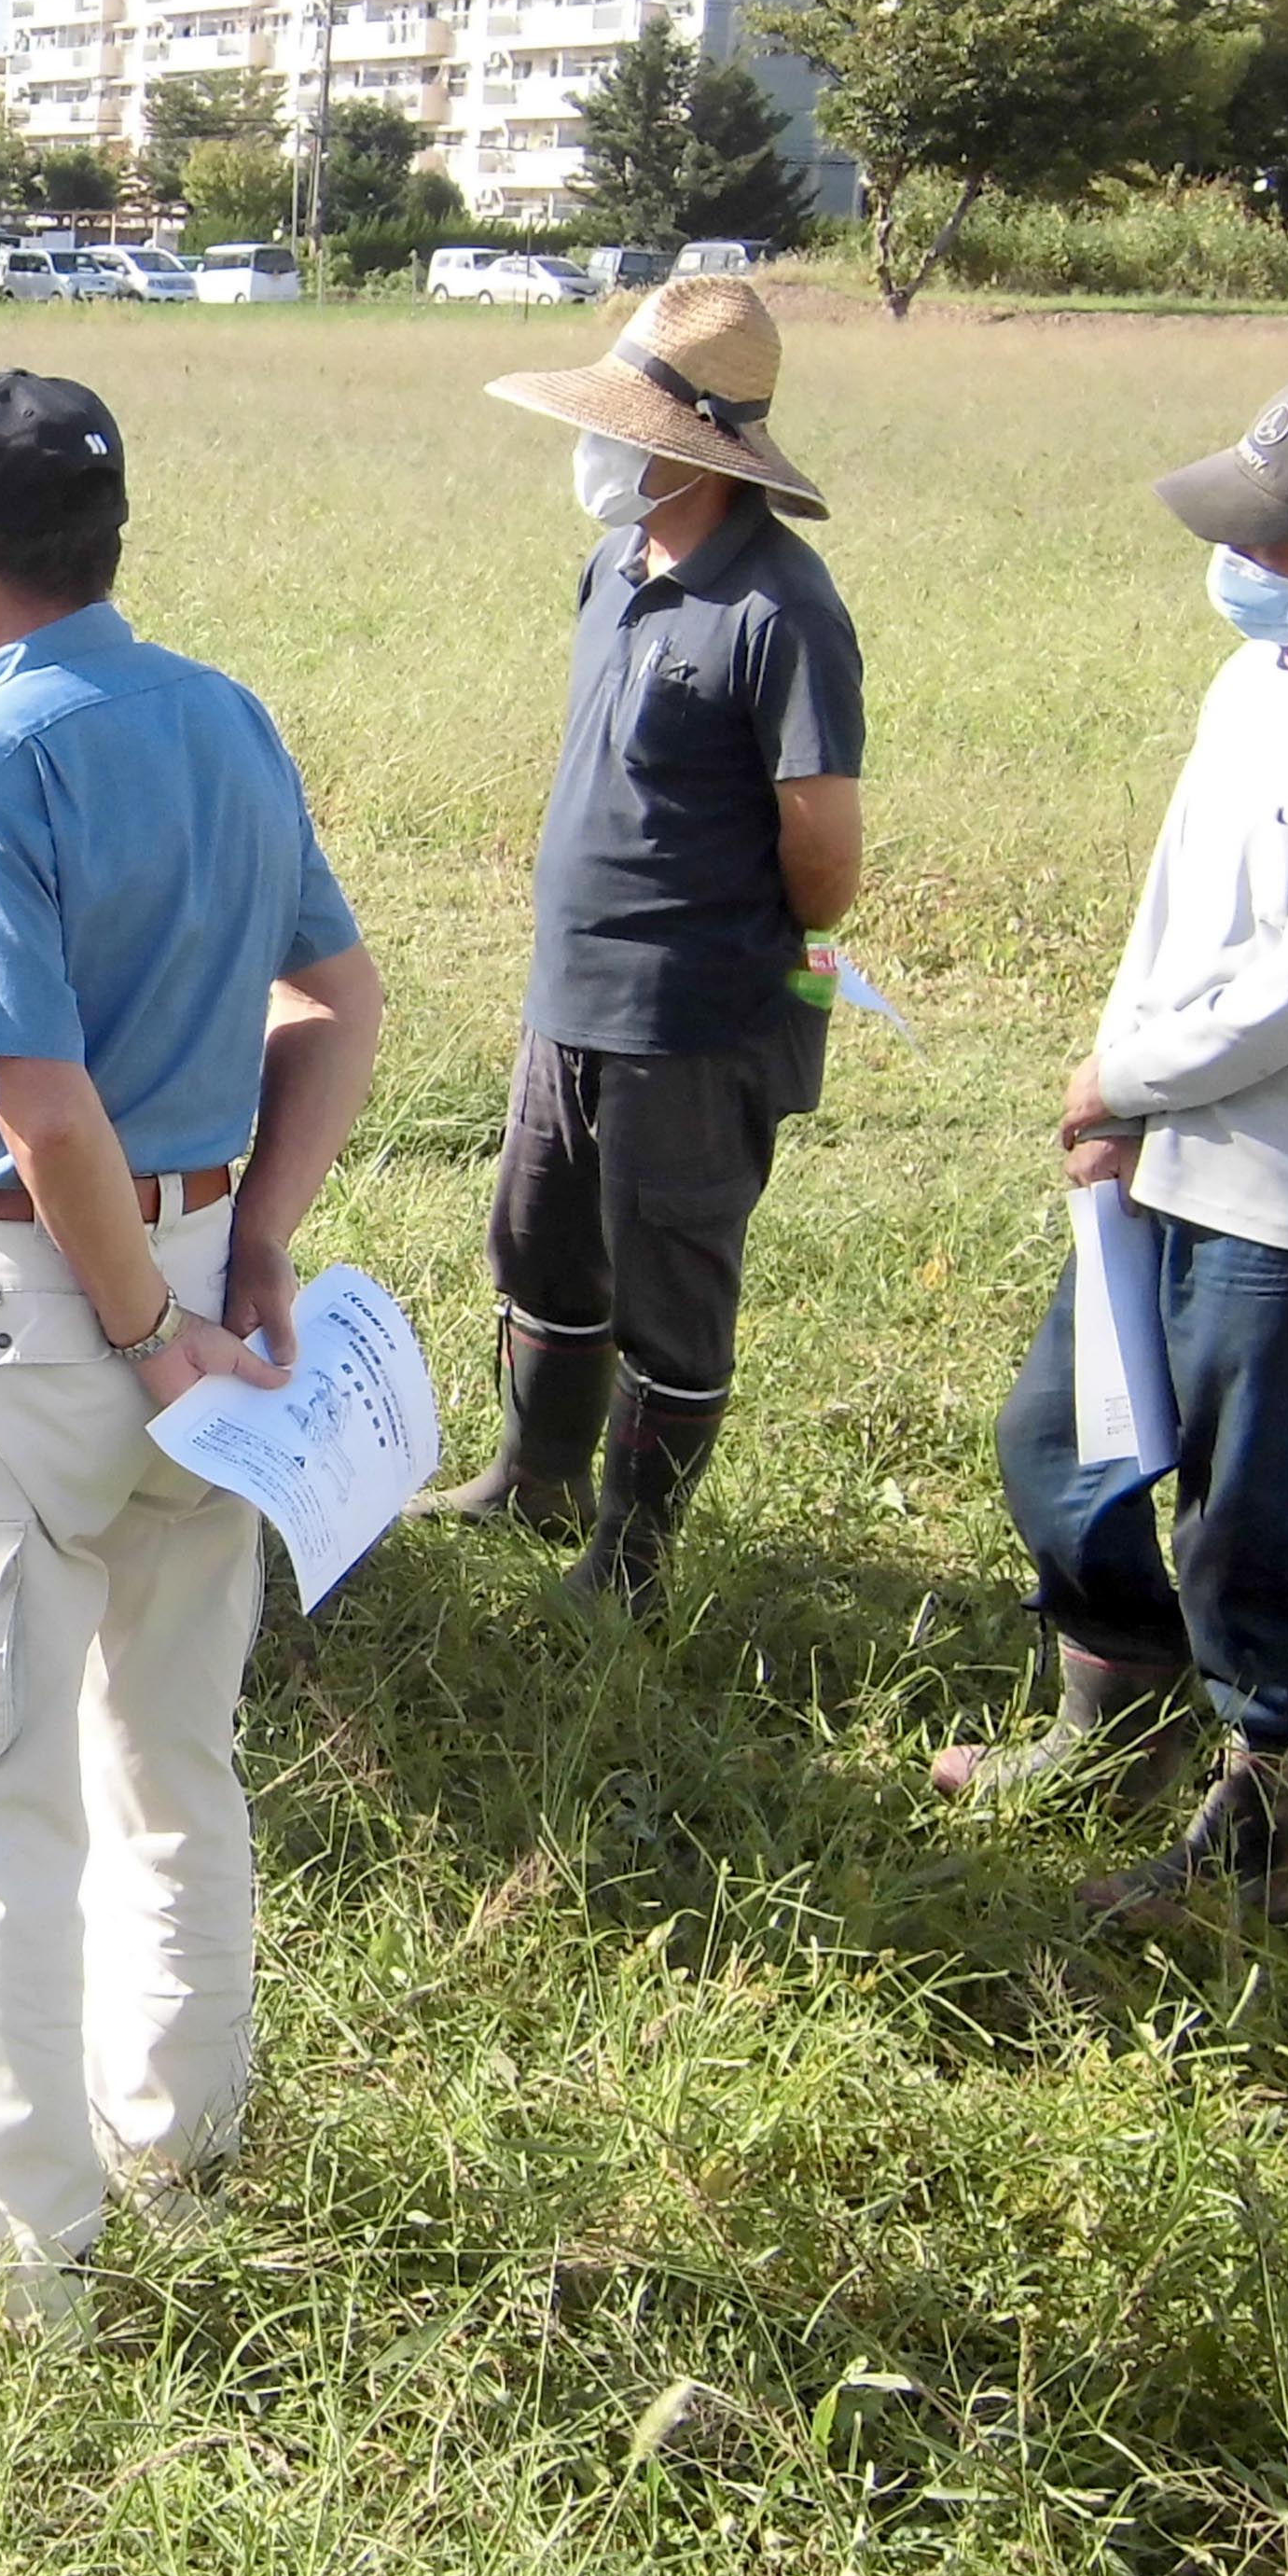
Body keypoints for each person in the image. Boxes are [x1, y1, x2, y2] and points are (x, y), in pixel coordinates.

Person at [0, 371, 384, 2326]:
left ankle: (7, 2231)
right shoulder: (217, 713)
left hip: (53, 1299)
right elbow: (341, 1002)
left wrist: (141, 1332)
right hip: (212, 1264)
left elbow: (40, 1106)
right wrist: (253, 1255)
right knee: (169, 1745)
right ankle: (177, 2133)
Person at [935, 375, 1288, 1929]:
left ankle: (1246, 1866)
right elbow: (1178, 915)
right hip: (1153, 1153)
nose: (1242, 562)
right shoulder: (1260, 675)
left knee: (1254, 1527)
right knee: (1060, 1450)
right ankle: (1099, 1724)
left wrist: (1123, 1073)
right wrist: (1113, 1101)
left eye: (1277, 539)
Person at [419, 276, 865, 1617]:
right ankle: (535, 1474)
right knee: (543, 1244)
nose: (594, 450)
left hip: (695, 1018)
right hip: (571, 999)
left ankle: (630, 1559)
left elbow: (826, 862)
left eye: (622, 429)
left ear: (695, 451)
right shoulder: (616, 566)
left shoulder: (781, 610)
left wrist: (707, 934)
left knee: (668, 1284)